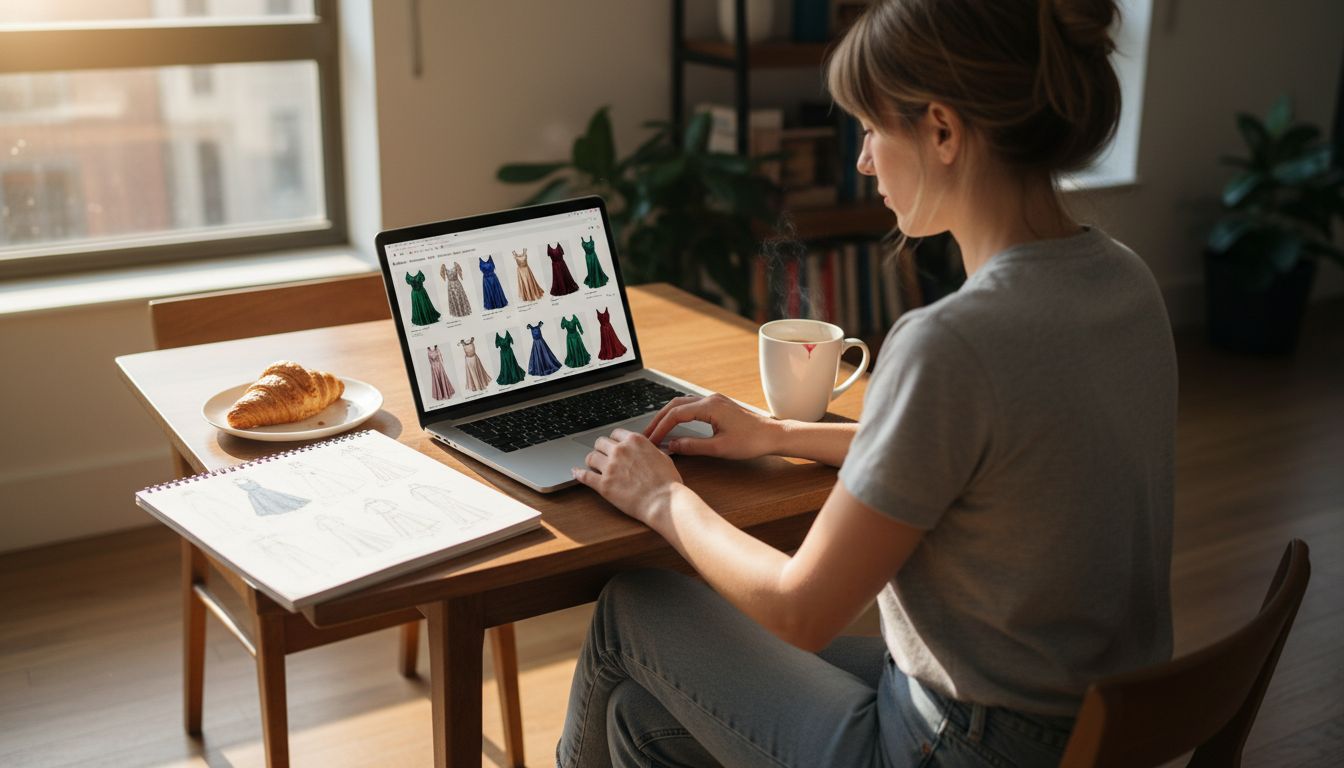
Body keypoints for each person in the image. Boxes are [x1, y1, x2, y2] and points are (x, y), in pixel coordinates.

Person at [559, 0, 1176, 765]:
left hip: (963, 743)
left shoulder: (953, 342)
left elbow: (800, 611)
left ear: (943, 132)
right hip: (1098, 726)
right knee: (636, 718)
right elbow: (986, 467)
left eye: (872, 129)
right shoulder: (1126, 280)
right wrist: (778, 434)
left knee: (633, 606)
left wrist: (660, 496)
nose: (862, 159)